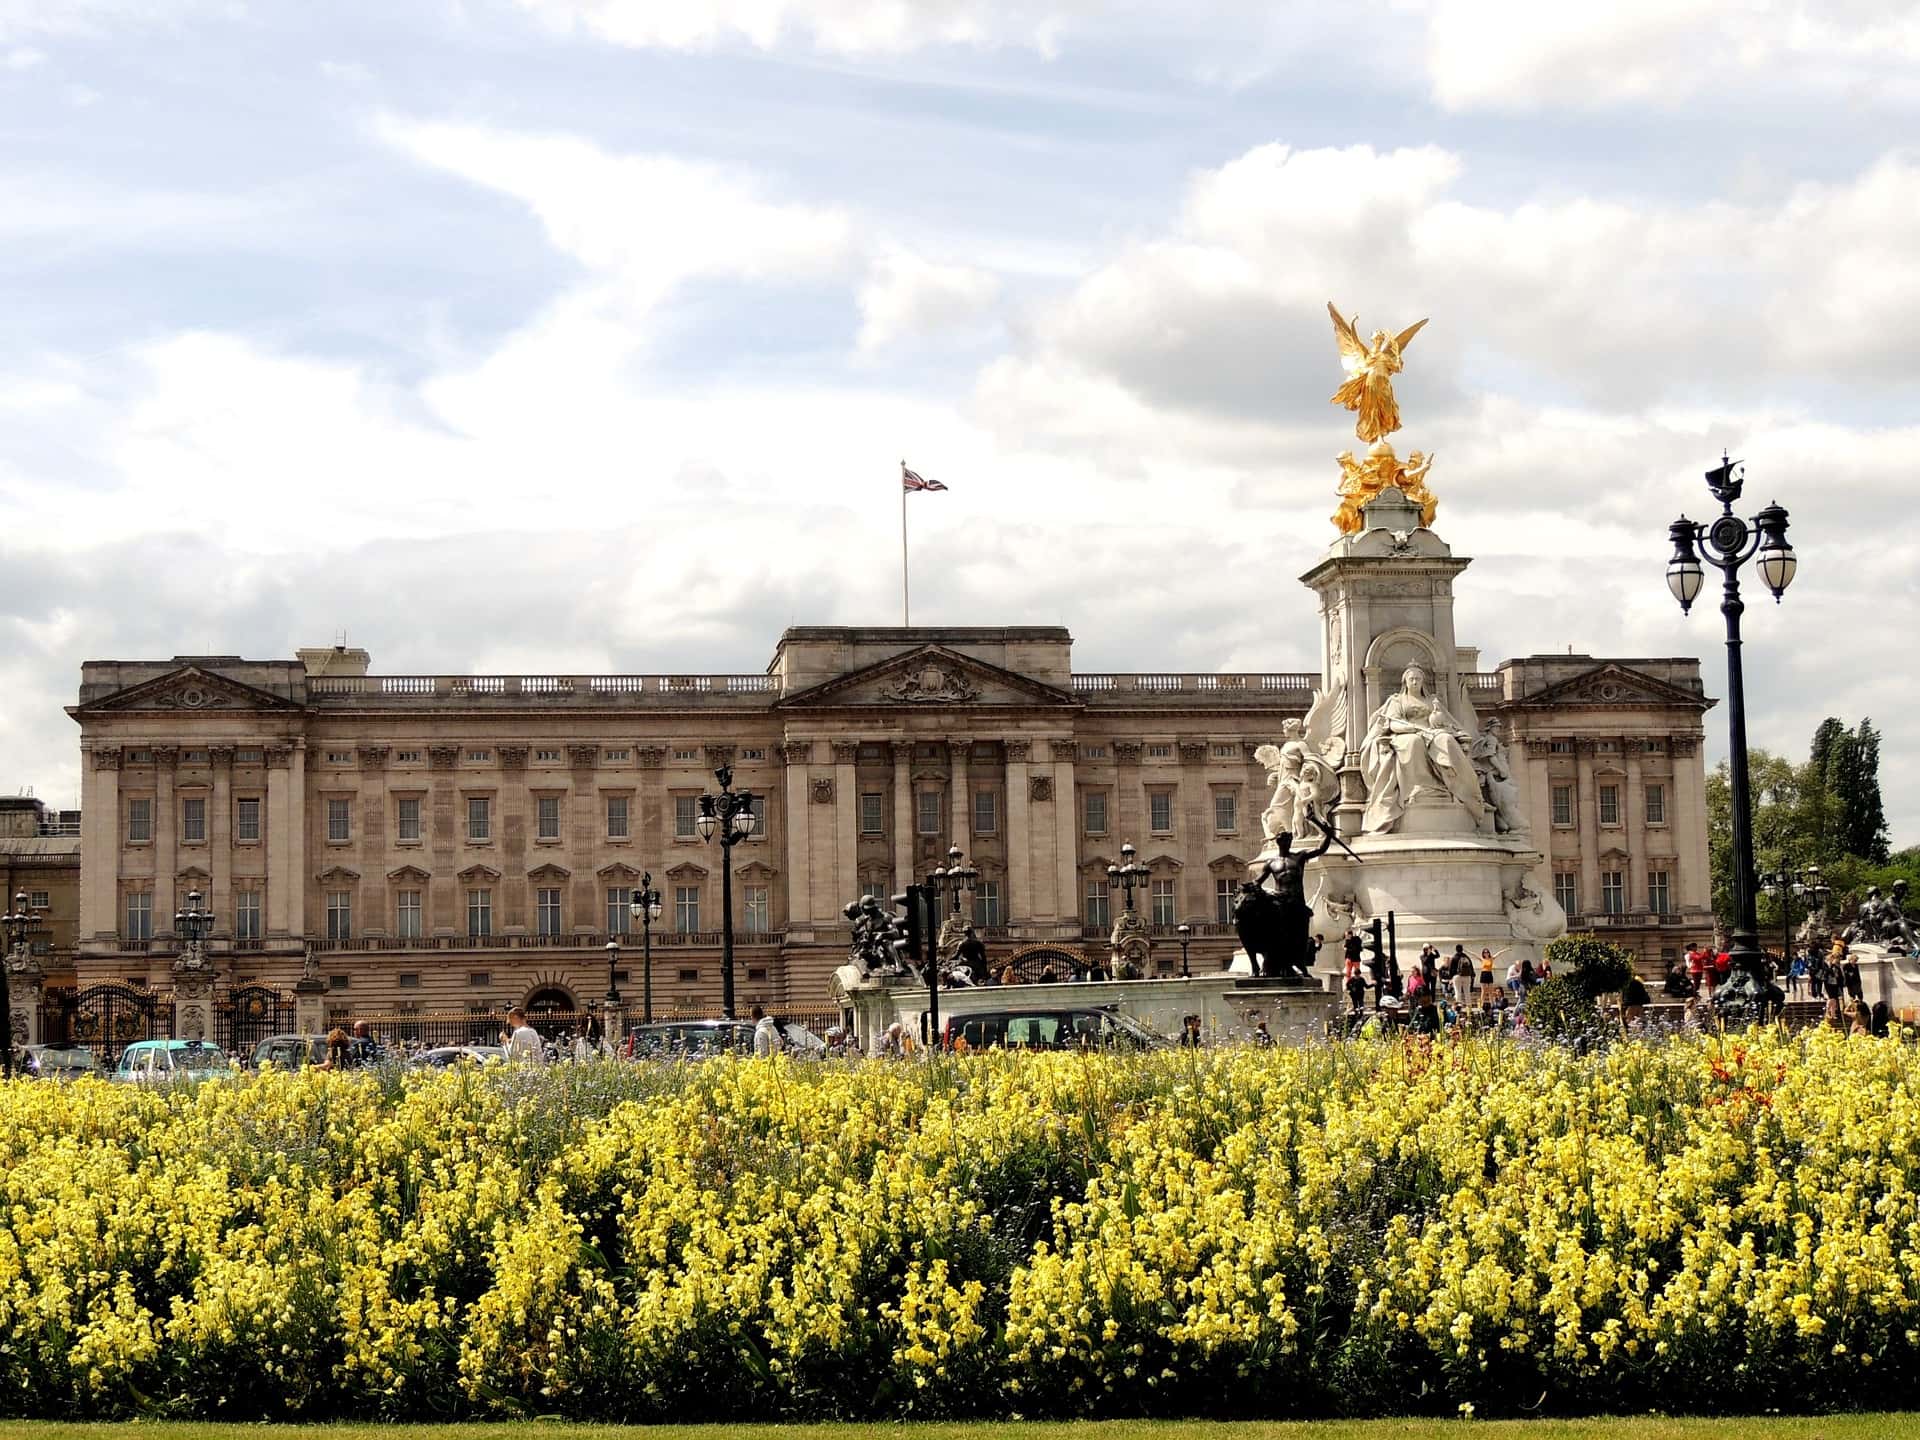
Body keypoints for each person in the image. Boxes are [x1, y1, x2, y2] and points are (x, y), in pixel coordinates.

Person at [1449, 945, 1473, 1011]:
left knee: (1457, 992)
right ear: (1462, 949)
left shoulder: (1454, 957)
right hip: (1467, 976)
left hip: (1457, 976)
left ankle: (1458, 1008)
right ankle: (1469, 1007)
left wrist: (1451, 977)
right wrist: (1472, 974)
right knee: (1467, 992)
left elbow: (1451, 969)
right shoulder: (1466, 957)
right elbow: (1471, 966)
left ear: (1456, 949)